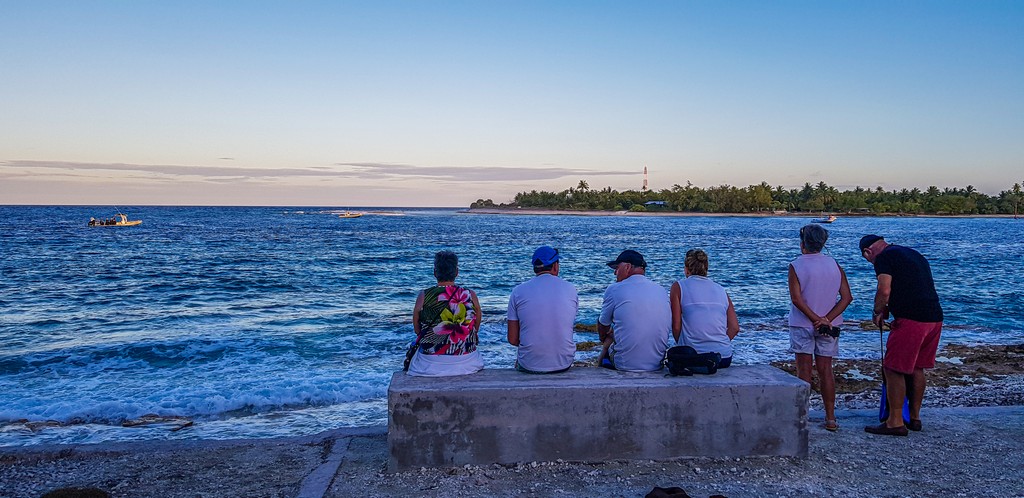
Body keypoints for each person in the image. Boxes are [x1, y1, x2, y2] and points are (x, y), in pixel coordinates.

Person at [860, 234, 943, 436]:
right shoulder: (912, 253)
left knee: (893, 368)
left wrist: (878, 310)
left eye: (867, 259)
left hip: (911, 320)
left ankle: (895, 421)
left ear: (868, 252)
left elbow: (884, 288)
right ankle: (914, 418)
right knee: (916, 367)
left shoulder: (884, 258)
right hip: (934, 317)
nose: (871, 263)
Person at [787, 225, 853, 432]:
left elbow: (796, 299)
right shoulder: (834, 264)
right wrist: (826, 319)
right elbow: (847, 297)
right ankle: (830, 418)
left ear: (803, 243)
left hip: (802, 323)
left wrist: (815, 318)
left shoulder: (796, 265)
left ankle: (802, 416)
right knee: (826, 371)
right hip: (829, 326)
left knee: (803, 372)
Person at [407, 250, 483, 377]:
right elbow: (476, 328)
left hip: (430, 363)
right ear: (457, 272)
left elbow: (417, 330)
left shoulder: (424, 295)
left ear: (435, 273)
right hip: (466, 361)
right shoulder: (470, 295)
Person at [507, 246, 579, 373]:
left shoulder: (518, 291)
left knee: (519, 362)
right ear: (555, 266)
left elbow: (512, 339)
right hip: (563, 363)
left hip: (529, 364)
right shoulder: (570, 289)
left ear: (535, 268)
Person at [597, 250, 671, 372]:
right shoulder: (661, 290)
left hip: (626, 365)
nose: (615, 272)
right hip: (657, 364)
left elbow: (603, 325)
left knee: (608, 341)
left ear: (627, 267)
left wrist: (605, 338)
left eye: (616, 268)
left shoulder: (614, 289)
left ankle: (600, 374)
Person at [670, 248, 740, 369]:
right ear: (706, 269)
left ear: (686, 269)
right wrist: (720, 343)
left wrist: (682, 345)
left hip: (694, 356)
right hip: (723, 357)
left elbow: (676, 326)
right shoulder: (721, 290)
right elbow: (734, 327)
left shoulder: (679, 287)